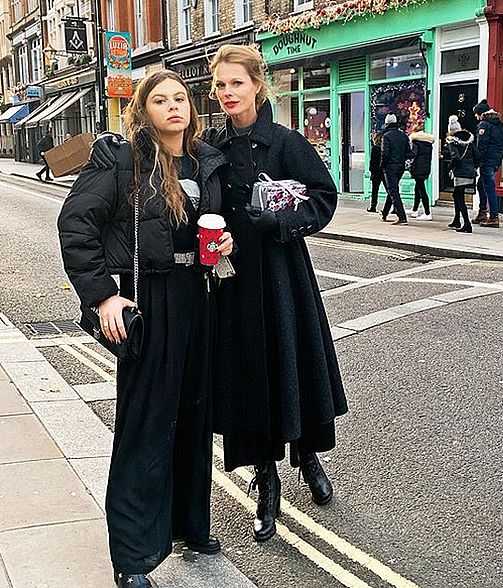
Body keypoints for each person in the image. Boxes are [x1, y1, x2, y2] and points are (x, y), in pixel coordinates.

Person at [89, 45, 348, 545]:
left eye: (237, 83)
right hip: (229, 283)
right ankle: (266, 482)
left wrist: (281, 221)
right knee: (250, 383)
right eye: (220, 85)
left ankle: (308, 457)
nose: (228, 93)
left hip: (282, 276)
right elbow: (166, 170)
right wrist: (110, 147)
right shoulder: (210, 147)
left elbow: (323, 198)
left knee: (291, 371)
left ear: (257, 85)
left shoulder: (287, 142)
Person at [58, 70, 233, 588]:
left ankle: (189, 526)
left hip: (199, 296)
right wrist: (102, 295)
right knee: (146, 426)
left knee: (194, 419)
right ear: (143, 110)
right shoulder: (121, 160)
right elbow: (76, 224)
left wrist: (225, 247)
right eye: (160, 100)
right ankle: (133, 557)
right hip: (149, 298)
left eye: (180, 98)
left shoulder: (204, 161)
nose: (173, 106)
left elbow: (212, 229)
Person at [472, 99, 503, 228]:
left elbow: (481, 145)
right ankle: (482, 212)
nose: (476, 117)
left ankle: (493, 217)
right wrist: (498, 161)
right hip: (495, 160)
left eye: (476, 114)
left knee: (489, 187)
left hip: (486, 161)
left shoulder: (484, 125)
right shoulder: (499, 124)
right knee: (481, 185)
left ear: (481, 113)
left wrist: (477, 161)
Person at [444, 115, 479, 233]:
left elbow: (456, 158)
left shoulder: (453, 142)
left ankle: (467, 224)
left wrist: (450, 167)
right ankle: (456, 219)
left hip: (460, 173)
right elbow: (477, 156)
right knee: (456, 195)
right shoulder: (469, 142)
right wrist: (473, 167)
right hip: (469, 172)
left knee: (459, 198)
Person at [381, 113, 410, 225]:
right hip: (400, 167)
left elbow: (385, 154)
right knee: (392, 190)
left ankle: (401, 216)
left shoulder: (386, 136)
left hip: (390, 167)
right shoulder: (403, 135)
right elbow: (408, 152)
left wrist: (383, 165)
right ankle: (384, 213)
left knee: (393, 191)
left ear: (387, 123)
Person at [408, 122, 435, 220]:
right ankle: (414, 210)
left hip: (418, 168)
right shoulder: (428, 143)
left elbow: (413, 154)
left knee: (422, 190)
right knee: (418, 188)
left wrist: (406, 153)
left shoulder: (416, 142)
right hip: (425, 168)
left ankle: (427, 213)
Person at [367, 131, 385, 213]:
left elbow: (372, 162)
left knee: (375, 190)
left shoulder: (374, 149)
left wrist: (371, 170)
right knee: (389, 190)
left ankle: (373, 206)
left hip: (376, 172)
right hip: (383, 171)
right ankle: (394, 206)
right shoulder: (384, 149)